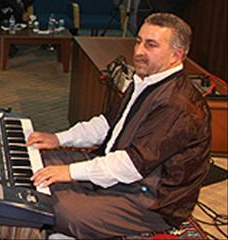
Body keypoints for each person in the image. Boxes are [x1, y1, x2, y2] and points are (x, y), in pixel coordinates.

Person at [28, 13, 211, 238]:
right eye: (138, 41)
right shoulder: (145, 79)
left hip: (152, 200)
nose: (139, 51)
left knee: (56, 209)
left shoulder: (177, 105)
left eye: (151, 45)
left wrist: (69, 172)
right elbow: (108, 123)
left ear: (176, 56)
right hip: (122, 171)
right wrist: (59, 138)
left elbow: (131, 165)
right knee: (35, 164)